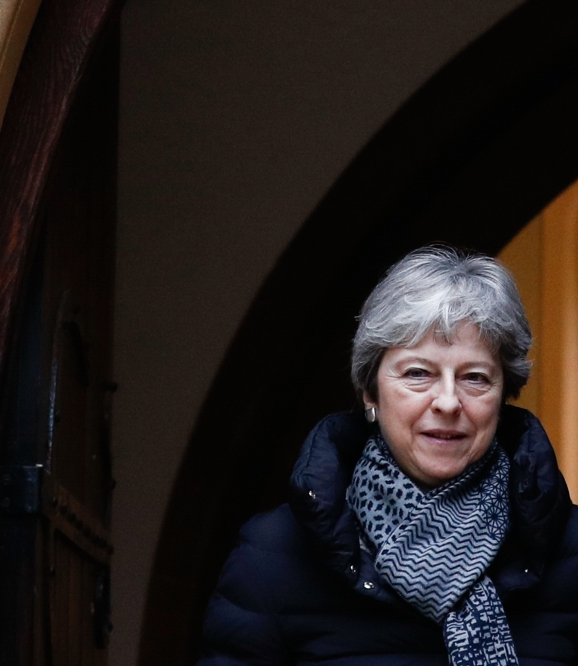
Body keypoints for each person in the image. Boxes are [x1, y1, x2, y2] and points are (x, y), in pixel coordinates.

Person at [199, 246, 578, 665]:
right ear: (370, 392)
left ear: (502, 395)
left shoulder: (570, 552)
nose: (448, 402)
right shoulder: (273, 556)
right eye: (418, 374)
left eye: (474, 378)